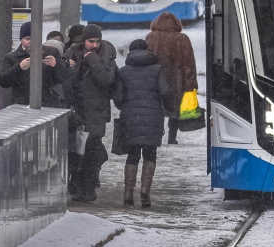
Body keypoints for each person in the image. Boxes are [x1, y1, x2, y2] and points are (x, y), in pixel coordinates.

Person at [114, 39, 174, 207]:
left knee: (132, 154)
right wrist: (169, 107)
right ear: (148, 51)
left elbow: (118, 97)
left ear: (130, 52)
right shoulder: (158, 70)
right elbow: (165, 92)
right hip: (153, 117)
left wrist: (125, 106)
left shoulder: (123, 72)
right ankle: (145, 191)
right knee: (150, 153)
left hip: (130, 117)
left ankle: (128, 193)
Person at [67, 24, 118, 202]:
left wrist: (94, 62)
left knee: (91, 151)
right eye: (90, 41)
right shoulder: (72, 53)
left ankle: (89, 188)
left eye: (97, 41)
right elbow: (65, 81)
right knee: (75, 151)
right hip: (76, 110)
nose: (94, 45)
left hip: (96, 111)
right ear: (84, 41)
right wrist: (70, 67)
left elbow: (107, 81)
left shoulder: (107, 57)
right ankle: (77, 187)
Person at [145, 12, 198, 145]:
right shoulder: (182, 39)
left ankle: (157, 135)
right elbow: (189, 64)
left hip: (156, 79)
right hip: (177, 80)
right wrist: (191, 84)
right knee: (175, 109)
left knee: (157, 108)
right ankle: (172, 137)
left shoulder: (151, 37)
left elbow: (146, 59)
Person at [0, 21, 68, 107]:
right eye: (27, 39)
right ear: (21, 40)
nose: (31, 42)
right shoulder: (12, 57)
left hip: (48, 103)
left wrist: (55, 65)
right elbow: (3, 82)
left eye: (34, 38)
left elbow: (63, 78)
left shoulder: (51, 52)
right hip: (22, 105)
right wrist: (19, 67)